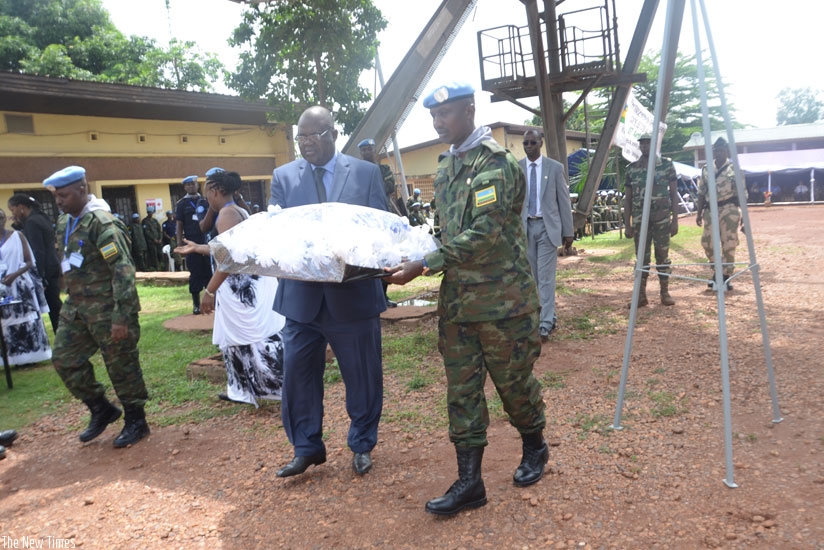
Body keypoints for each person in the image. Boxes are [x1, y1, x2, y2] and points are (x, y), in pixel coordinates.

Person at [385, 82, 548, 516]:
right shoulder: (446, 169)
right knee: (462, 393)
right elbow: (449, 233)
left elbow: (484, 234)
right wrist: (414, 253)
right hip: (458, 304)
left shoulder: (495, 165)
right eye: (434, 117)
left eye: (447, 115)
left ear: (470, 111)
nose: (439, 123)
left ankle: (535, 446)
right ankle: (470, 482)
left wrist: (423, 265)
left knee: (514, 387)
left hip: (502, 303)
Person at [269, 105, 387, 478]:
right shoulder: (283, 177)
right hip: (301, 299)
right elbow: (278, 233)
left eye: (312, 136)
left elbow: (379, 228)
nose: (305, 143)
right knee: (297, 374)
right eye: (300, 137)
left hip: (351, 296)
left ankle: (362, 443)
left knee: (362, 374)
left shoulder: (366, 173)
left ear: (333, 135)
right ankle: (306, 448)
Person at [44, 166, 150, 448]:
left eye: (64, 195)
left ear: (82, 189)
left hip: (108, 310)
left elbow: (123, 271)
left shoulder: (102, 224)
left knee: (121, 365)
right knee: (64, 359)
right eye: (56, 196)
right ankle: (101, 408)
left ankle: (136, 420)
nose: (59, 202)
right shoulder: (65, 222)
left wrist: (121, 316)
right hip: (77, 309)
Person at [175, 171, 284, 406]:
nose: (207, 200)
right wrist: (197, 248)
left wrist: (209, 291)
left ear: (214, 191)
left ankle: (270, 388)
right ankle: (241, 389)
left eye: (207, 194)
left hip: (240, 288)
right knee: (236, 339)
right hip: (243, 286)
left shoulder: (226, 214)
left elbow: (229, 259)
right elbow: (227, 250)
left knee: (249, 338)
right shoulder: (238, 211)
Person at [520, 129, 574, 342]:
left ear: (541, 143)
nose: (529, 146)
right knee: (531, 279)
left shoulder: (554, 168)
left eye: (533, 142)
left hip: (547, 228)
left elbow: (564, 200)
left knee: (545, 278)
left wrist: (568, 232)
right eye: (525, 143)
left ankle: (544, 324)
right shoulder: (518, 168)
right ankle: (542, 317)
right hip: (525, 229)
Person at [623, 133, 679, 307]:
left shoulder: (666, 166)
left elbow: (673, 194)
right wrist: (628, 224)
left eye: (648, 143)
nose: (645, 146)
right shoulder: (631, 169)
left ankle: (664, 292)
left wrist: (675, 219)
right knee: (641, 258)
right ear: (639, 146)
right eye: (643, 144)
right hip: (641, 221)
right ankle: (640, 295)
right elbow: (628, 198)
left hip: (661, 219)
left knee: (663, 256)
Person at [0, 208, 52, 366]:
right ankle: (12, 358)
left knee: (26, 321)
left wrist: (14, 274)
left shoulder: (17, 236)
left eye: (1, 216)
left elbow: (29, 261)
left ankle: (30, 357)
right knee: (6, 323)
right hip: (2, 287)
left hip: (19, 284)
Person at [7, 193, 62, 331]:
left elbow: (37, 250)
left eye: (13, 209)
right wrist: (17, 225)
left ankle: (63, 335)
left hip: (46, 269)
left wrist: (41, 278)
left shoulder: (32, 222)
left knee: (52, 306)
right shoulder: (41, 217)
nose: (13, 213)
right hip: (53, 264)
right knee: (55, 304)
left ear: (20, 207)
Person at [695, 137, 742, 291]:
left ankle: (725, 277)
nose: (719, 153)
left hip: (729, 209)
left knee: (728, 244)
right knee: (707, 243)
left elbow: (742, 194)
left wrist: (744, 218)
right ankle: (718, 271)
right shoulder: (706, 169)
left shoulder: (735, 169)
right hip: (710, 210)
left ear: (727, 151)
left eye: (722, 150)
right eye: (716, 151)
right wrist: (698, 213)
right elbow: (701, 192)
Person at [358, 137, 400, 308]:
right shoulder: (356, 171)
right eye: (364, 149)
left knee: (385, 258)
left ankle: (383, 295)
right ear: (361, 152)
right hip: (364, 221)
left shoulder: (383, 169)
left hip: (383, 219)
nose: (367, 152)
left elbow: (390, 186)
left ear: (375, 151)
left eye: (370, 149)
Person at [175, 175, 213, 315]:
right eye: (188, 185)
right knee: (195, 273)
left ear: (198, 185)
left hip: (206, 241)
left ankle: (212, 302)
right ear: (185, 187)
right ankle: (196, 304)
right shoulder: (181, 204)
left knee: (209, 272)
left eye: (194, 184)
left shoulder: (204, 200)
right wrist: (180, 244)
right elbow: (179, 224)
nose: (192, 186)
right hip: (191, 242)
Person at [142, 206, 163, 271]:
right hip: (151, 242)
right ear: (147, 213)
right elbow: (146, 232)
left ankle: (162, 266)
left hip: (158, 241)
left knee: (160, 253)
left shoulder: (155, 220)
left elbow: (159, 230)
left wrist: (160, 238)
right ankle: (156, 268)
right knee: (154, 255)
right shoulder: (145, 221)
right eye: (149, 212)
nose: (151, 213)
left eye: (151, 212)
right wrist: (153, 239)